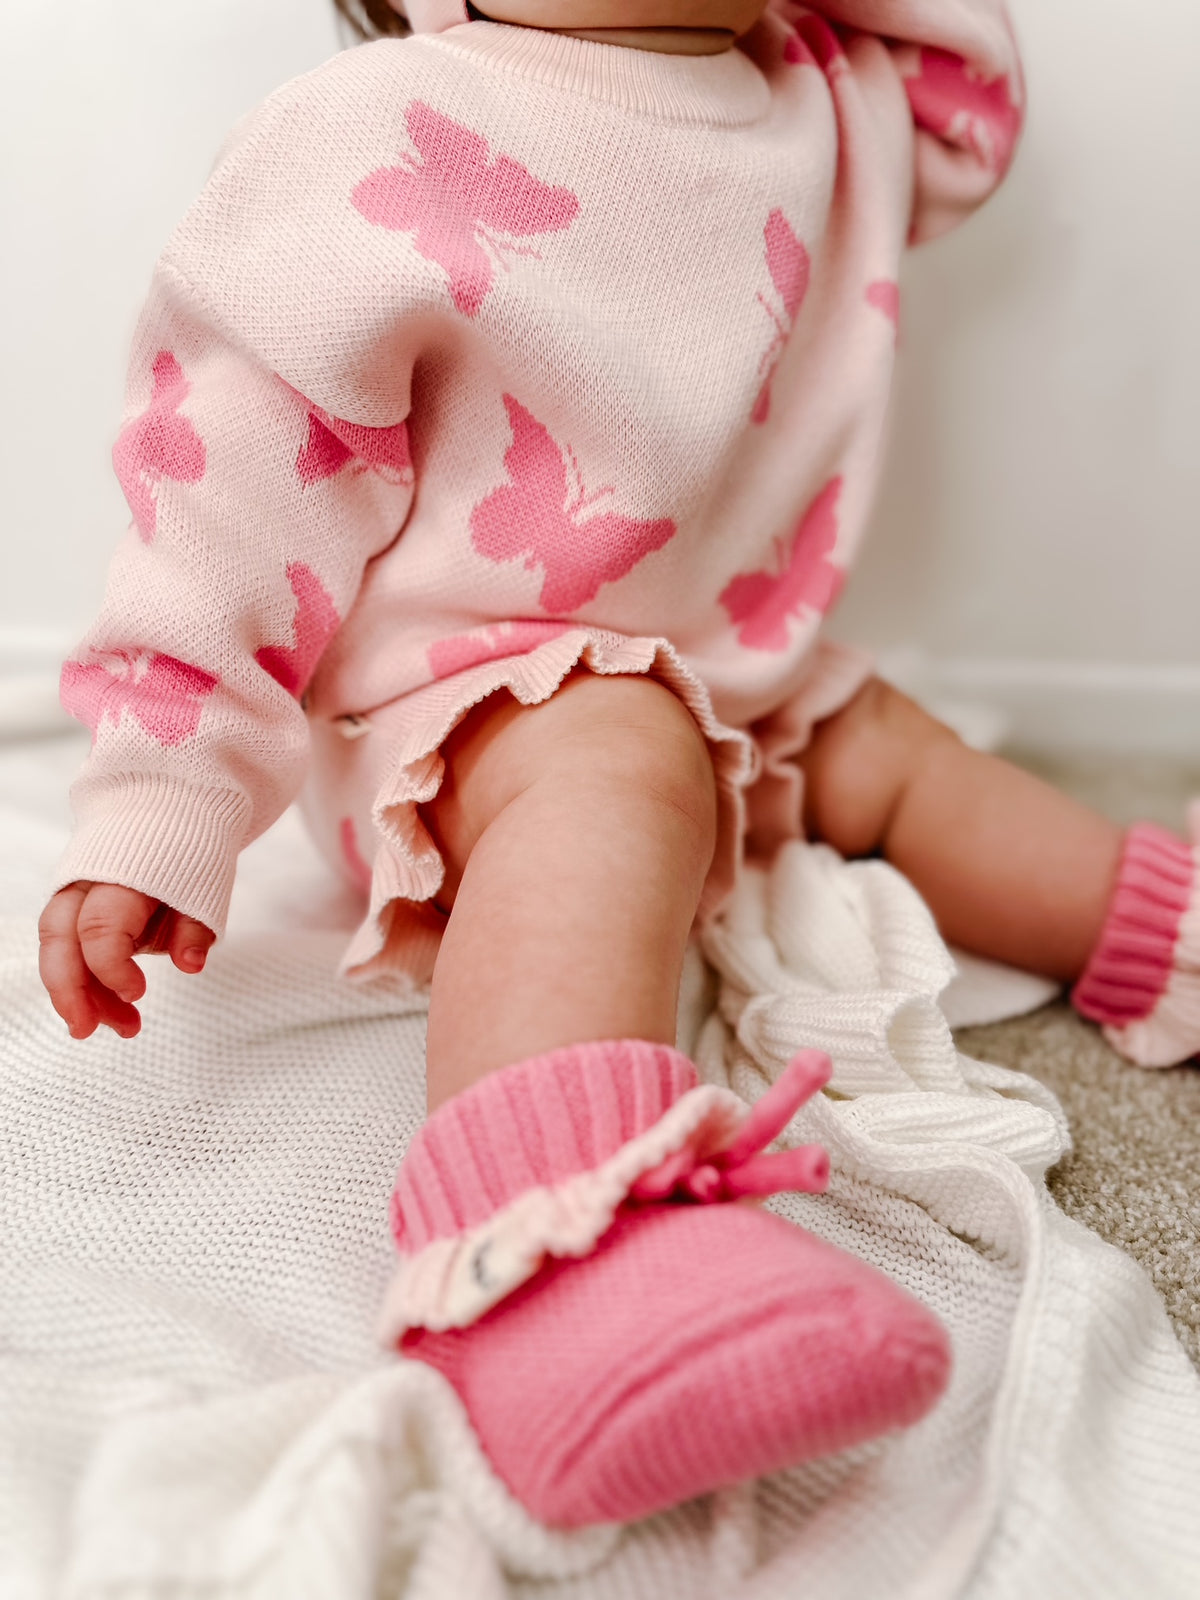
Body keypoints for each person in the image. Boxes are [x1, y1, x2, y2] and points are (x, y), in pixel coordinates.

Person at [35, 0, 1198, 1528]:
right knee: (617, 749)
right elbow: (228, 488)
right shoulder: (375, 129)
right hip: (461, 711)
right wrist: (161, 794)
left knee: (898, 753)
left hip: (733, 668)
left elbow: (967, 116)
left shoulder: (820, 89)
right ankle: (547, 1258)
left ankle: (1154, 925)